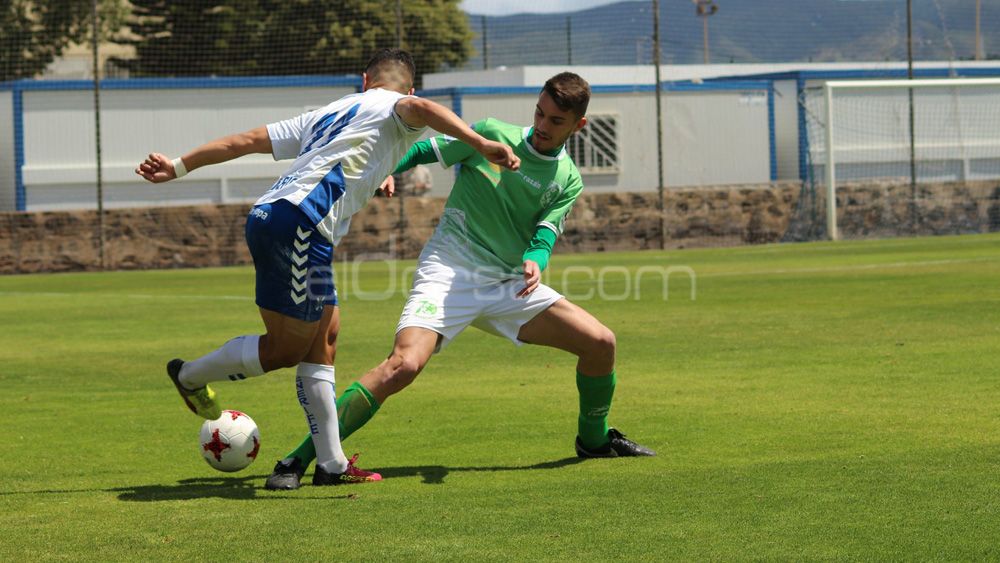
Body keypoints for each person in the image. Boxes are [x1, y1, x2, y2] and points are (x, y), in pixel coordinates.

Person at [134, 49, 520, 487]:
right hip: (301, 227)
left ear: (364, 80)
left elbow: (244, 141)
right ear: (408, 89)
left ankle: (332, 466)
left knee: (325, 335)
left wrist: (179, 165)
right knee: (287, 350)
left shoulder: (329, 112)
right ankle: (189, 375)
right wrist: (481, 142)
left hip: (276, 218)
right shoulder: (399, 107)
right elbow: (423, 110)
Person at [266, 72, 654, 491]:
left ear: (578, 125)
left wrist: (534, 260)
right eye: (540, 113)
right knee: (403, 366)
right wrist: (385, 169)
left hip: (507, 283)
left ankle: (593, 441)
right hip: (448, 270)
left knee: (601, 343)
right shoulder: (491, 134)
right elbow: (422, 150)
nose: (542, 125)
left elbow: (545, 233)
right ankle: (300, 457)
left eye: (556, 121)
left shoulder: (567, 178)